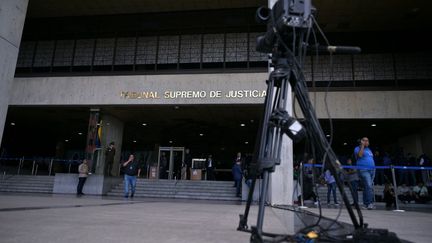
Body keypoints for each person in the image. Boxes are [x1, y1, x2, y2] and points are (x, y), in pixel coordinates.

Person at [354, 137, 376, 210]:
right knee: (369, 186)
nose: (367, 142)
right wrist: (362, 146)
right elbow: (360, 155)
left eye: (367, 140)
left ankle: (365, 204)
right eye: (365, 140)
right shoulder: (357, 148)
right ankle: (369, 203)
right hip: (364, 170)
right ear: (361, 141)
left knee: (367, 187)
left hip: (372, 170)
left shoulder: (369, 150)